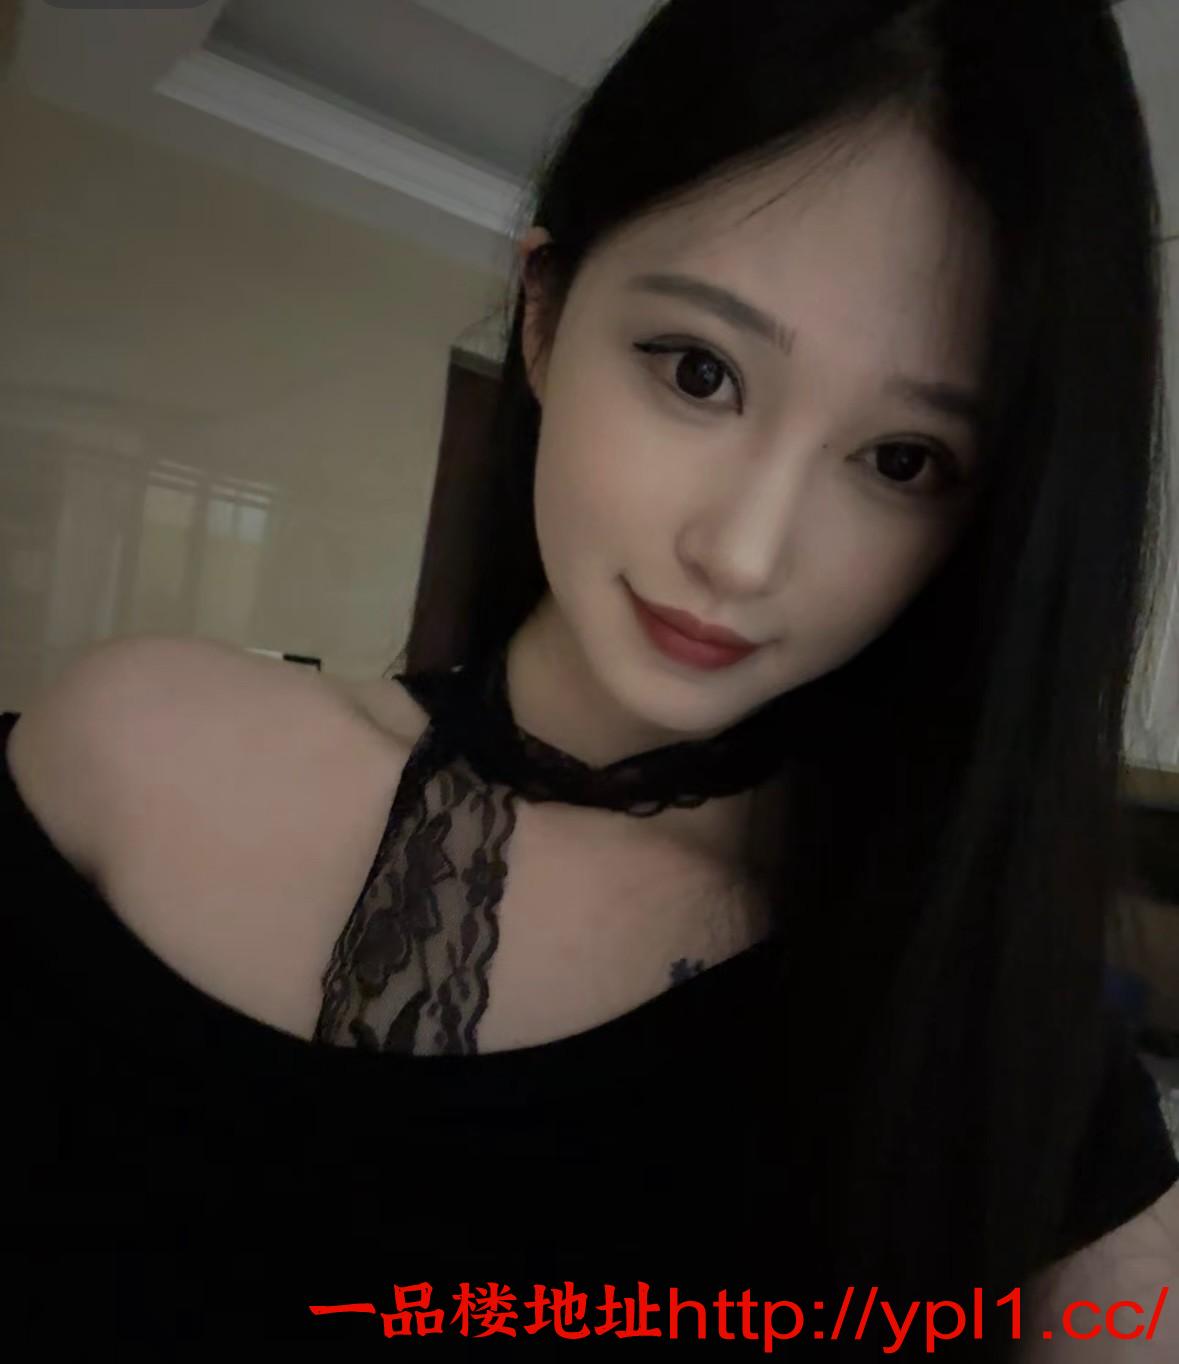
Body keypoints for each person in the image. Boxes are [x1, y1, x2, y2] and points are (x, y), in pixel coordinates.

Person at [3, 0, 1177, 1354]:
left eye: (902, 461)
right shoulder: (128, 761)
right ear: (546, 316)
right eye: (700, 371)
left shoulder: (991, 1034)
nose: (743, 553)